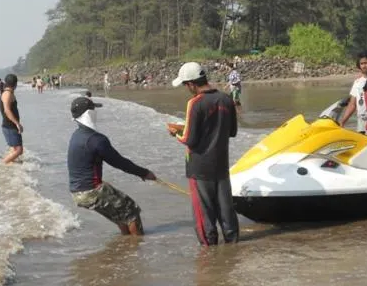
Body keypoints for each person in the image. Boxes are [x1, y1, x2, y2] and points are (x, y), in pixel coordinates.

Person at [170, 62, 239, 246]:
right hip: (221, 165)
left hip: (200, 167)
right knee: (226, 210)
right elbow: (231, 131)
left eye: (185, 85)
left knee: (204, 214)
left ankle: (210, 257)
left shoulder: (195, 103)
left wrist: (176, 132)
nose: (186, 89)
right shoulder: (226, 99)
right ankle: (232, 246)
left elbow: (189, 139)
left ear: (191, 84)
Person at [67, 96, 156, 236]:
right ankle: (137, 248)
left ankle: (125, 246)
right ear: (89, 113)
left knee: (120, 212)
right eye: (93, 109)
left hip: (77, 191)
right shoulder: (96, 140)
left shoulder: (77, 135)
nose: (96, 112)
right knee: (131, 210)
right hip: (91, 191)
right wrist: (144, 173)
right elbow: (119, 162)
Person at [340, 50, 367, 132]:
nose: (364, 66)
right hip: (362, 124)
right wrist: (342, 122)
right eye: (362, 64)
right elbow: (352, 105)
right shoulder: (357, 83)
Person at [0, 73, 24, 164]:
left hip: (10, 126)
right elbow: (7, 110)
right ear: (15, 84)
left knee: (15, 149)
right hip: (9, 126)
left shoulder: (8, 93)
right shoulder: (7, 94)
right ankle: (3, 164)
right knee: (19, 150)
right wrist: (17, 123)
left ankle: (12, 165)